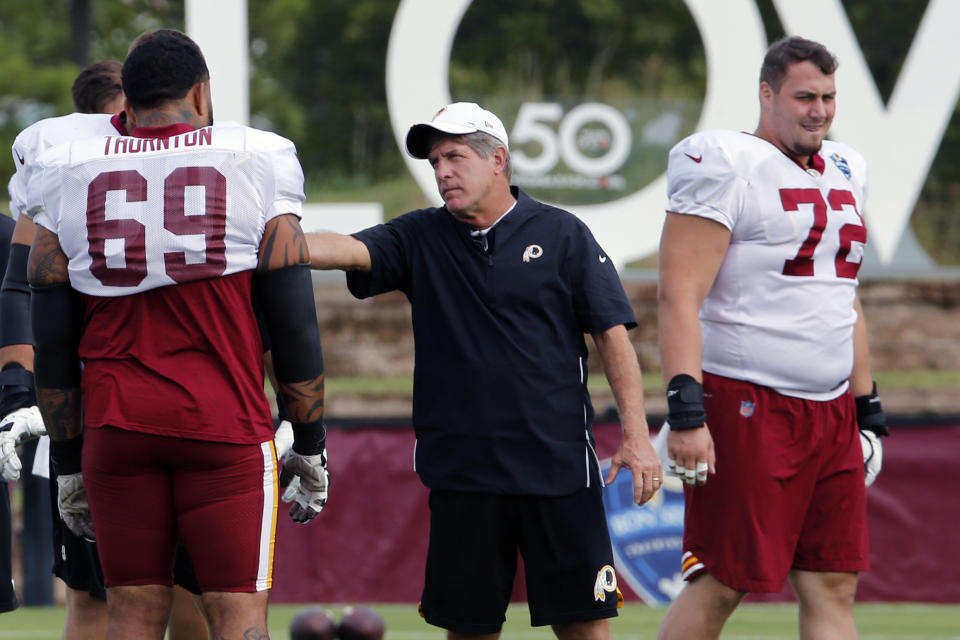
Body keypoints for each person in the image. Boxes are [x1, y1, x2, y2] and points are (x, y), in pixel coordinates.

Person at [308, 101, 661, 640]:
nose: (442, 171)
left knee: (584, 626)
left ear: (498, 159)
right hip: (463, 474)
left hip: (557, 469)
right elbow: (350, 250)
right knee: (469, 629)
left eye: (453, 156)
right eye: (434, 162)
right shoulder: (420, 236)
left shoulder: (562, 232)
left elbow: (612, 334)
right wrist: (278, 244)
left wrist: (636, 434)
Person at [25, 30, 328, 639]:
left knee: (131, 617)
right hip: (223, 423)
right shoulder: (257, 160)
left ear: (125, 105)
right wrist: (311, 436)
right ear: (201, 92)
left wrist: (66, 459)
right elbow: (293, 318)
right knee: (238, 618)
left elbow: (52, 338)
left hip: (117, 426)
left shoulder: (63, 170)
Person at [655, 36, 889, 640]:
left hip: (831, 409)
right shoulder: (724, 160)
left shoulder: (847, 166)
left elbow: (843, 296)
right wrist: (685, 407)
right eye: (804, 96)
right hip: (749, 401)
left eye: (829, 97)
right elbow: (679, 293)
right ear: (767, 94)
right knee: (723, 580)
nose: (819, 110)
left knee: (834, 581)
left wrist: (866, 406)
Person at [0, 58, 212, 639]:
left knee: (203, 593)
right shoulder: (62, 165)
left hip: (198, 400)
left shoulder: (211, 163)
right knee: (100, 594)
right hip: (103, 404)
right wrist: (20, 390)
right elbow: (22, 283)